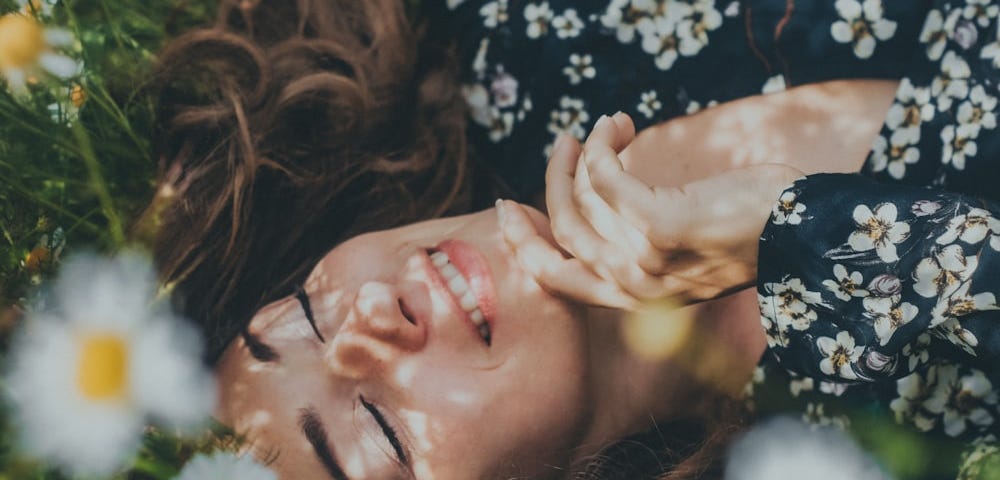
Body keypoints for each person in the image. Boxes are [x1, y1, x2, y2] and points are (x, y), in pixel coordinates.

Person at [147, 0, 994, 477]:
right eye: (378, 428)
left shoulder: (520, 40)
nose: (371, 309)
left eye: (304, 314)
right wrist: (802, 237)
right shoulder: (875, 454)